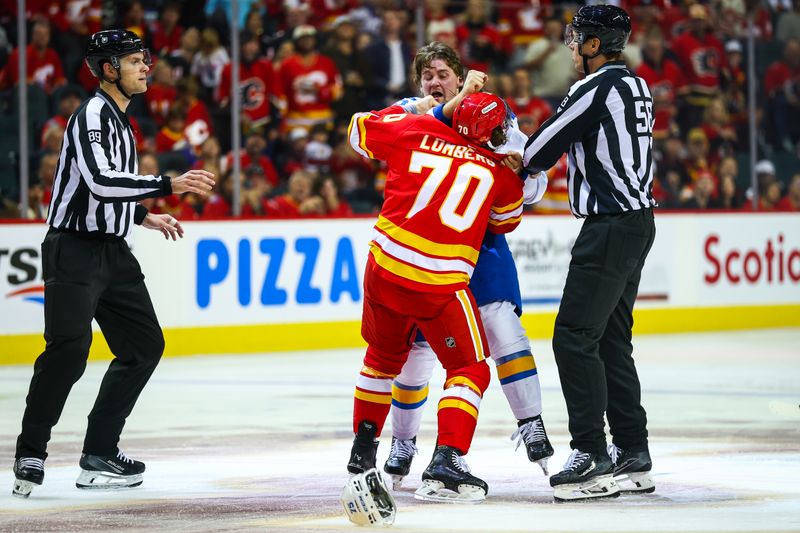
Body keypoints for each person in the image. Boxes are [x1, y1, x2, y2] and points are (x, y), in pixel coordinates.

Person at [11, 30, 216, 499]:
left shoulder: (121, 121)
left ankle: (99, 452)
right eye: (135, 60)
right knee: (68, 351)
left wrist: (143, 215)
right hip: (74, 251)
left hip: (111, 251)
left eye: (146, 59)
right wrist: (170, 184)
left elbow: (103, 190)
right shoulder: (92, 117)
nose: (146, 66)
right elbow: (102, 181)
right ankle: (31, 450)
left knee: (144, 346)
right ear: (108, 69)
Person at [381, 41, 552, 490]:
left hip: (481, 246)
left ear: (461, 77)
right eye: (427, 75)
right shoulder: (409, 109)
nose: (434, 82)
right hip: (426, 248)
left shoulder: (493, 114)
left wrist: (524, 173)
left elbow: (534, 185)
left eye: (442, 74)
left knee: (502, 327)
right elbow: (381, 138)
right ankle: (403, 441)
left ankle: (531, 423)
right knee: (415, 353)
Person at [345, 84, 525, 509]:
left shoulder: (414, 129)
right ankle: (447, 460)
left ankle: (362, 454)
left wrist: (422, 107)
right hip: (439, 284)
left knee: (381, 360)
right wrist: (511, 167)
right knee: (470, 369)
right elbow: (506, 220)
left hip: (384, 270)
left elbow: (358, 129)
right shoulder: (497, 172)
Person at [522, 5, 657, 502]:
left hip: (610, 225)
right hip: (638, 222)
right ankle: (633, 452)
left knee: (573, 337)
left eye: (577, 38)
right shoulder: (636, 86)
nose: (571, 46)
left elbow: (538, 153)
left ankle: (591, 456)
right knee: (609, 340)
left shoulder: (594, 88)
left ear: (596, 44)